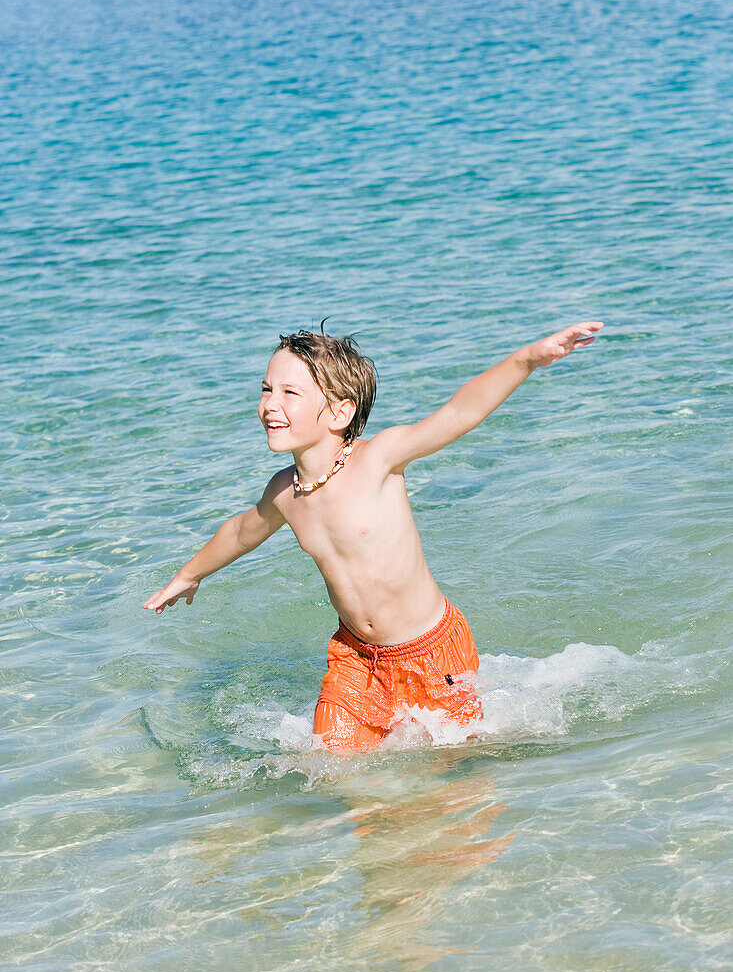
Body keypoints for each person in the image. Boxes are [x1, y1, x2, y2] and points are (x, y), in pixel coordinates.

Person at [144, 321, 603, 751]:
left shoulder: (377, 461)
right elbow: (243, 531)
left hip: (430, 652)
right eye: (267, 389)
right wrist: (190, 574)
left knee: (452, 777)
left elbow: (459, 413)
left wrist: (527, 359)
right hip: (355, 657)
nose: (270, 404)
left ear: (340, 411)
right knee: (328, 764)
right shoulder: (285, 492)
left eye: (290, 393)